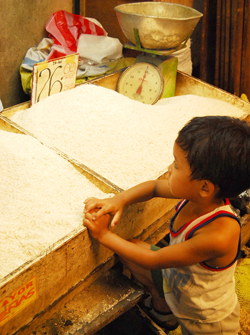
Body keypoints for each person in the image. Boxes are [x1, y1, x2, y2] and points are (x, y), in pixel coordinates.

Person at [83, 116, 250, 335]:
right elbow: (153, 187)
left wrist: (104, 235)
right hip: (181, 282)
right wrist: (119, 200)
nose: (169, 169)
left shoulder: (219, 235)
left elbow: (154, 261)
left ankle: (168, 312)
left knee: (137, 252)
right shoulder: (197, 194)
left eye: (176, 164)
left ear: (205, 187)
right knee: (131, 247)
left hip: (204, 320)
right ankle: (164, 311)